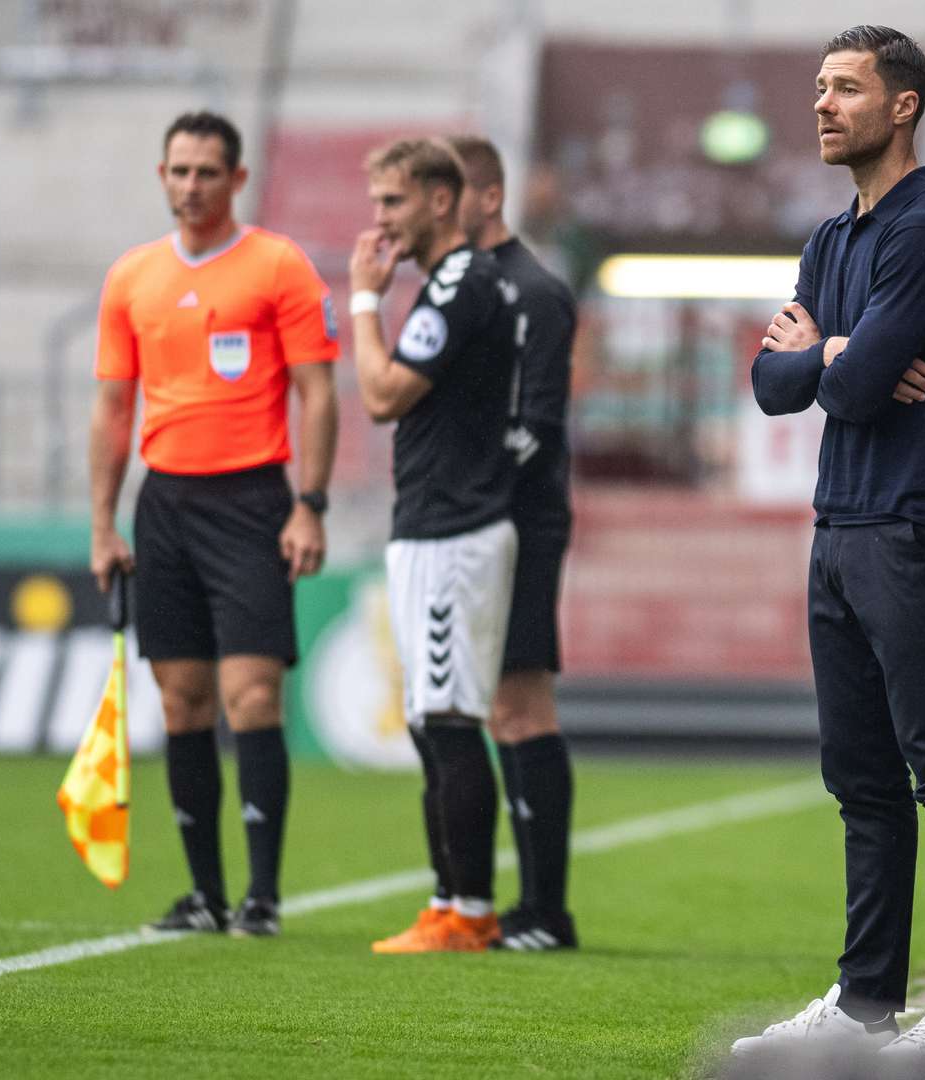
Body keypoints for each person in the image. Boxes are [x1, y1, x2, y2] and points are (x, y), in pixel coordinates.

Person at [736, 25, 925, 1063]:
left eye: (846, 88)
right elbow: (770, 384)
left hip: (919, 529)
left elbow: (832, 385)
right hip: (840, 527)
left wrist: (833, 359)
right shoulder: (829, 239)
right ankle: (863, 1002)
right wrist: (843, 355)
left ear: (903, 106)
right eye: (818, 87)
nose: (822, 104)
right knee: (861, 779)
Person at [88, 110, 340, 938]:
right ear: (161, 175)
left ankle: (261, 897)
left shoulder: (277, 266)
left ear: (236, 179)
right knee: (182, 701)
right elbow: (113, 406)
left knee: (252, 693)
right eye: (178, 171)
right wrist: (103, 522)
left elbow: (315, 391)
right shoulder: (131, 277)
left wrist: (310, 502)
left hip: (252, 501)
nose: (190, 186)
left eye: (206, 172)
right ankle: (204, 895)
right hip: (164, 504)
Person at [350, 138, 521, 954]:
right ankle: (448, 902)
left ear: (442, 201)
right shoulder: (442, 286)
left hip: (456, 529)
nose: (379, 220)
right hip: (428, 524)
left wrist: (360, 303)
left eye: (393, 202)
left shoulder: (462, 284)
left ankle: (471, 909)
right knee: (429, 720)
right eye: (377, 202)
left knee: (449, 720)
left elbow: (382, 395)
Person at [445, 133, 580, 952]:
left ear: (487, 197)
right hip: (466, 520)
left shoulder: (534, 291)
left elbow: (539, 423)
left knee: (520, 703)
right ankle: (489, 901)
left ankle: (544, 910)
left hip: (520, 519)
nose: (430, 208)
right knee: (490, 707)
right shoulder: (459, 286)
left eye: (444, 191)